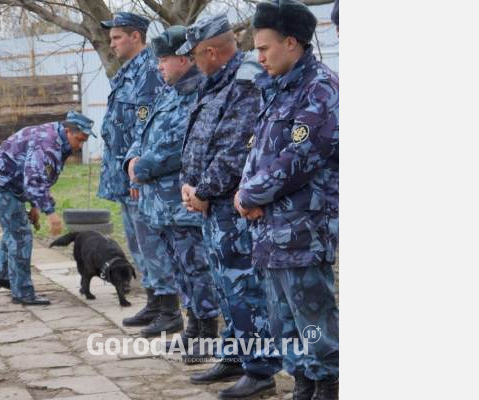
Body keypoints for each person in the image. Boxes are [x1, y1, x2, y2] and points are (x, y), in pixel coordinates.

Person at [235, 1, 340, 398]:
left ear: (291, 43)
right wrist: (246, 196)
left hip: (302, 232)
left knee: (313, 319)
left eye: (264, 48)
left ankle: (327, 384)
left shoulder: (320, 89)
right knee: (285, 322)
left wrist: (249, 194)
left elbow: (300, 157)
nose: (258, 57)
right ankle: (303, 383)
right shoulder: (278, 88)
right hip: (270, 232)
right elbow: (257, 150)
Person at [175, 16, 281, 398]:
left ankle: (261, 367)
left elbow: (236, 148)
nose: (193, 62)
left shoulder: (245, 83)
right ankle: (235, 355)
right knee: (226, 286)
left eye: (196, 55)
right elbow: (201, 141)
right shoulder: (214, 84)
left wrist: (202, 190)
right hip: (210, 204)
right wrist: (192, 188)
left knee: (244, 287)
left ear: (212, 51)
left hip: (231, 207)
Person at [123, 26, 221, 348]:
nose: (159, 66)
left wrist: (142, 168)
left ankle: (206, 331)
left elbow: (179, 143)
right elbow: (143, 131)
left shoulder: (198, 92)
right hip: (159, 206)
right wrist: (131, 161)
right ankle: (192, 327)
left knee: (196, 269)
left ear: (182, 58)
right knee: (180, 270)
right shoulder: (169, 90)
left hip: (182, 205)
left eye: (163, 59)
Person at [95, 11, 168, 329]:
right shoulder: (128, 72)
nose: (112, 45)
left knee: (150, 243)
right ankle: (154, 302)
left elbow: (148, 128)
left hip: (138, 175)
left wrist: (139, 171)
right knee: (137, 243)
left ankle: (168, 307)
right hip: (125, 176)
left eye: (116, 37)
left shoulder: (149, 71)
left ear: (135, 36)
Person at [0, 111, 94, 306]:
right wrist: (51, 213)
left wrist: (35, 206)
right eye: (79, 140)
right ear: (68, 131)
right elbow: (34, 179)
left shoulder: (56, 139)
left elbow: (36, 176)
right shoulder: (47, 143)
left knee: (15, 229)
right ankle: (22, 292)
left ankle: (3, 276)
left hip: (6, 185)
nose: (79, 146)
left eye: (84, 142)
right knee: (21, 234)